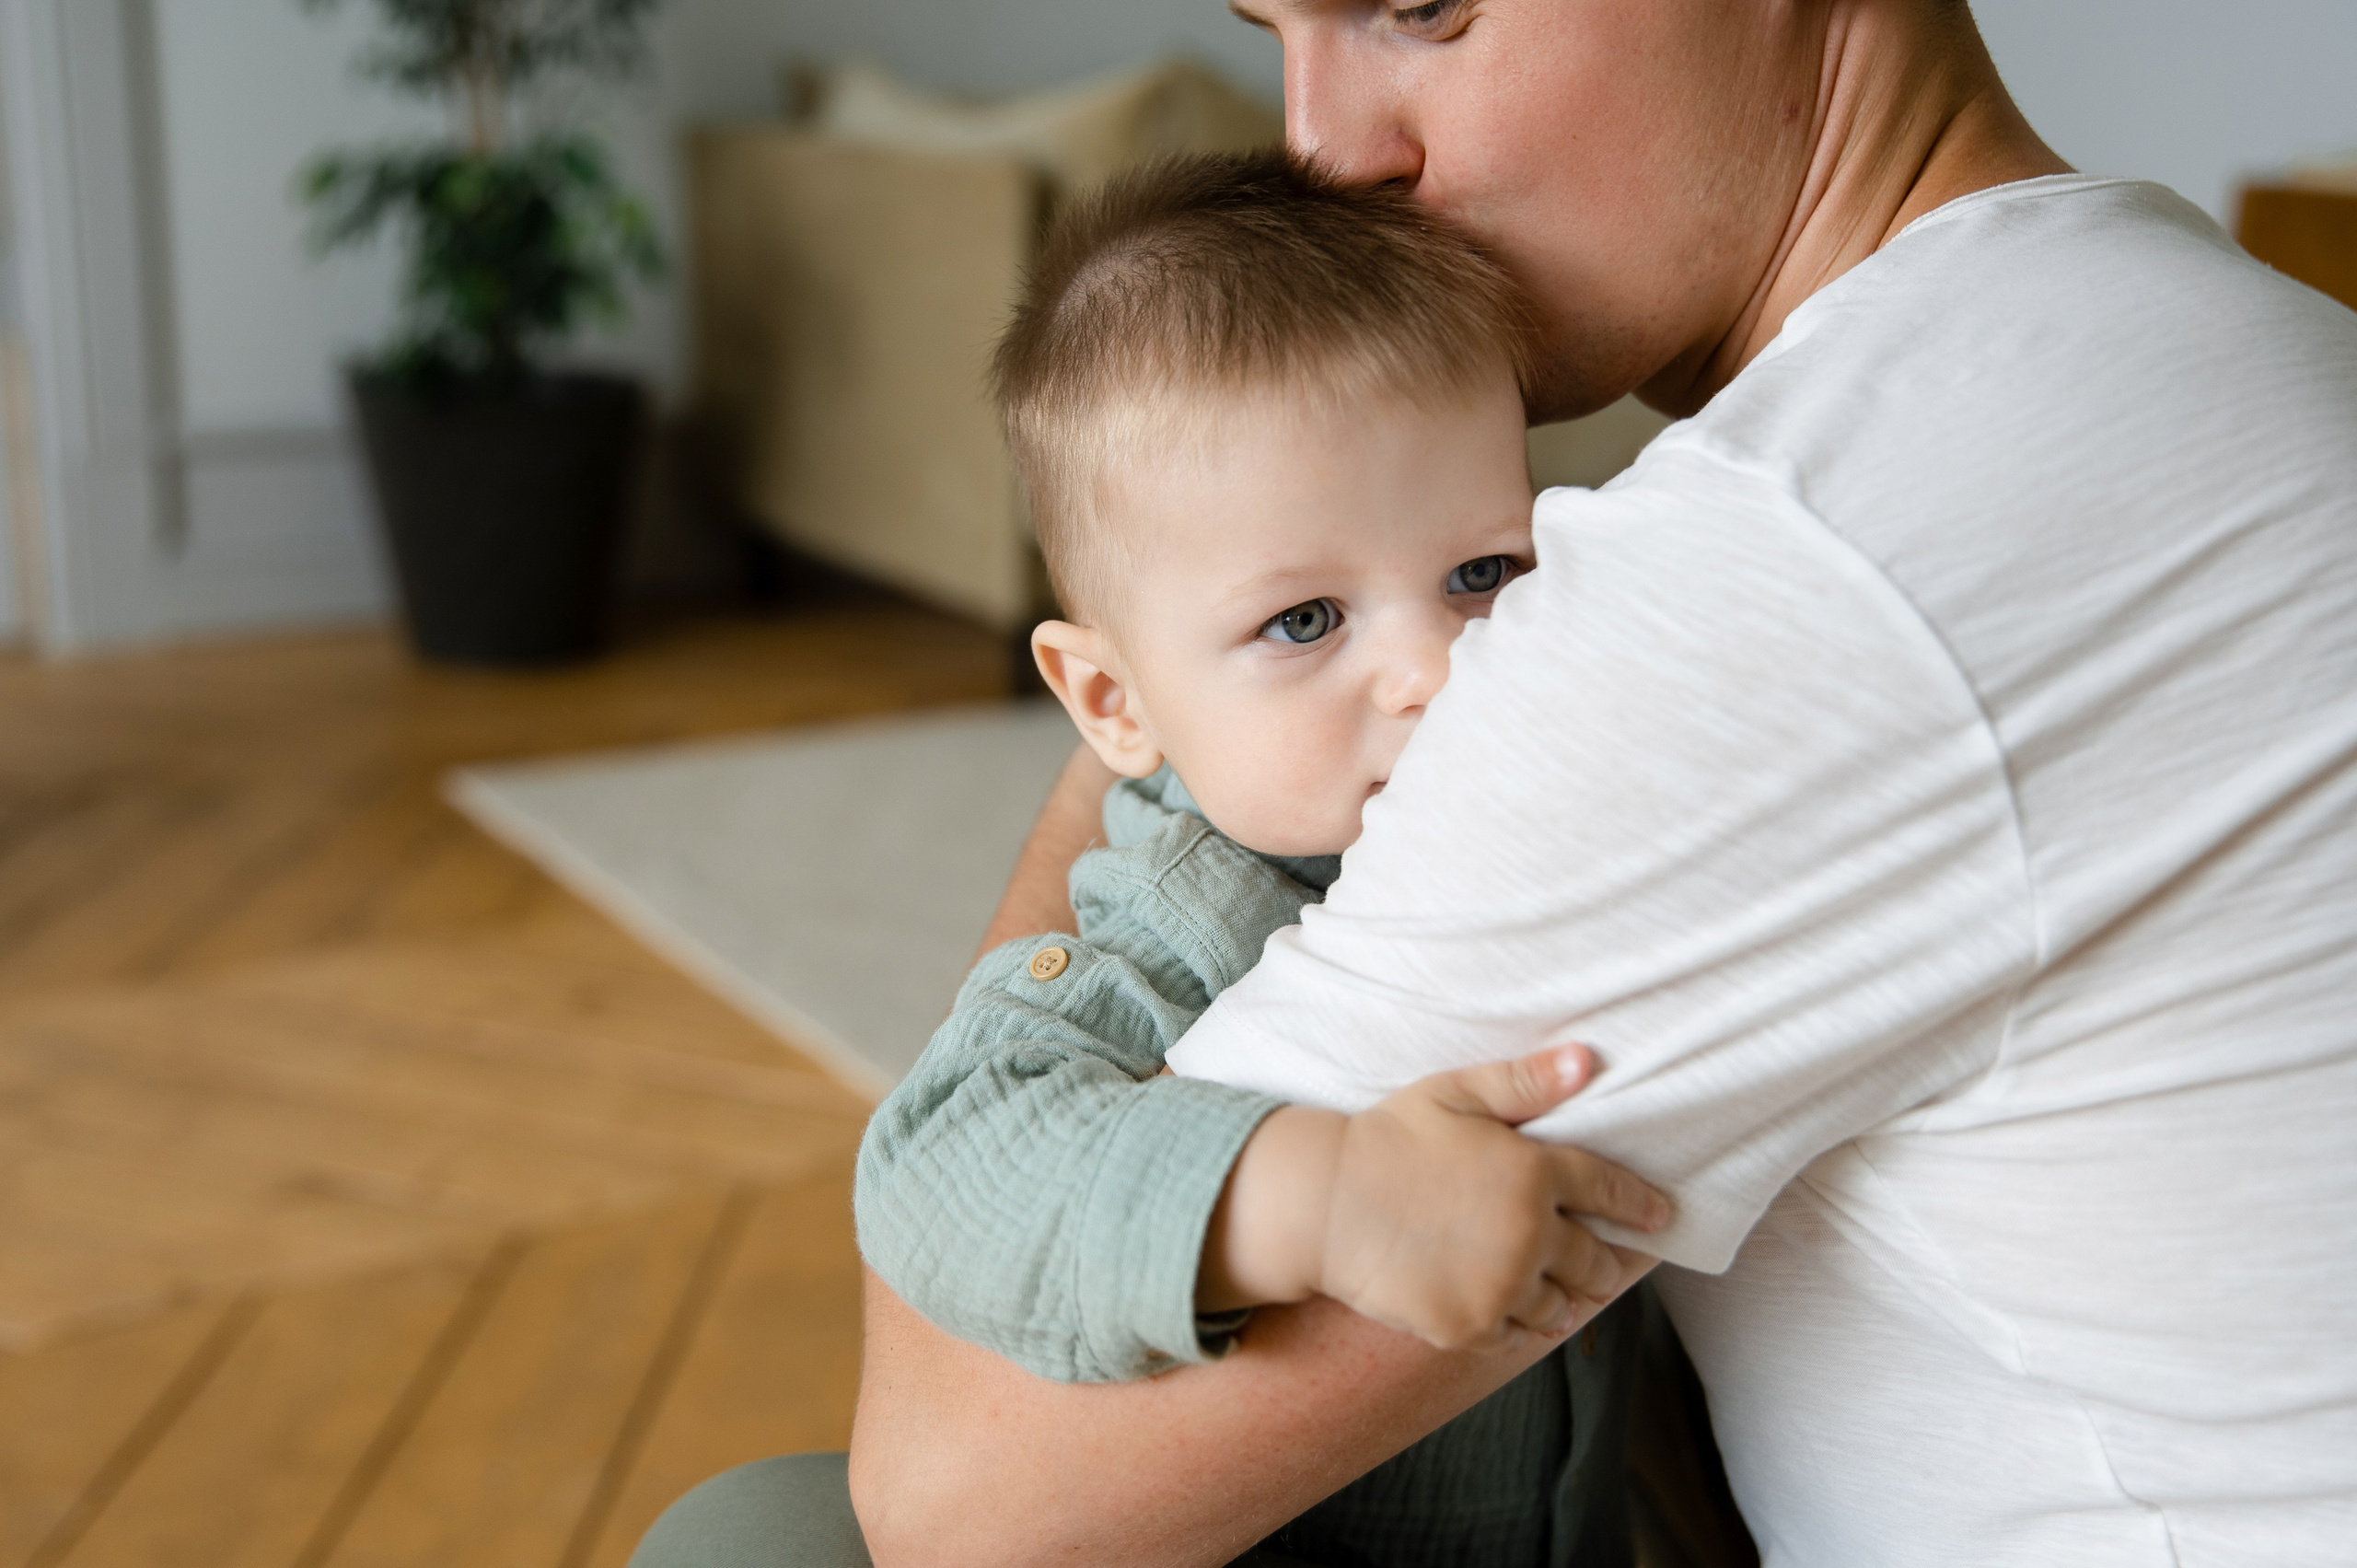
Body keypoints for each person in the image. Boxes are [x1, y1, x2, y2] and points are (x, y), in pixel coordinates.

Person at [653, 1, 2357, 1563]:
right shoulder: (2202, 335)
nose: (1329, 146)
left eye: (1421, 6)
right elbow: (977, 1161)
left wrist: (1173, 723)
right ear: (1099, 686)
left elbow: (971, 1502)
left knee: (768, 1550)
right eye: (1280, 29)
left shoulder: (1813, 565)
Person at [853, 151, 1666, 1567]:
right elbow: (942, 1160)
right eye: (1303, 622)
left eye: (1483, 573)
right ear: (1113, 704)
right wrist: (1316, 1197)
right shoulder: (1185, 918)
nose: (1437, 668)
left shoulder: (1539, 807)